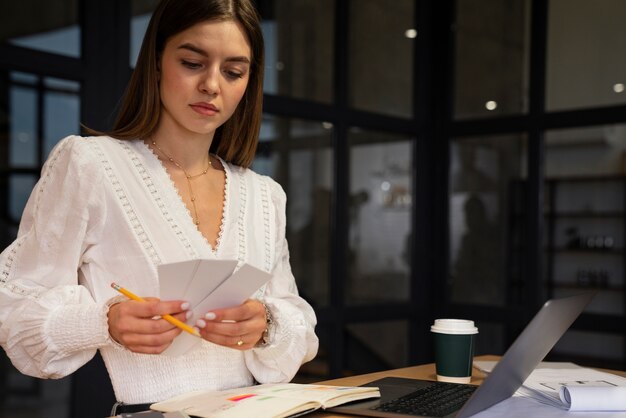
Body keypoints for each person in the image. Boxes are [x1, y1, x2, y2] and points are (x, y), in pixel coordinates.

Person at [0, 0, 318, 413]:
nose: (212, 85)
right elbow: (15, 306)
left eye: (233, 72)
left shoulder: (264, 195)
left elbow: (301, 329)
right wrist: (102, 322)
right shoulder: (90, 165)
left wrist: (267, 324)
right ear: (155, 63)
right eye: (192, 62)